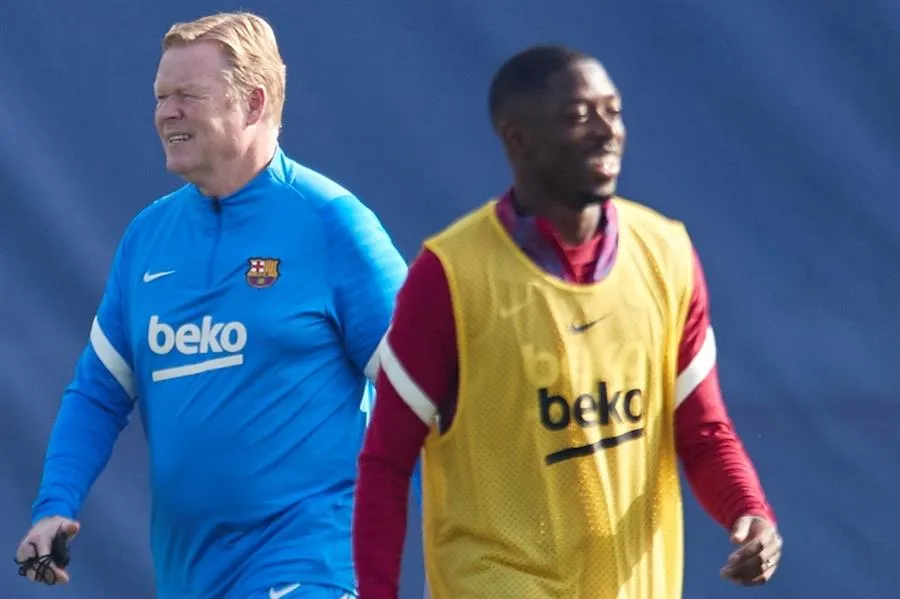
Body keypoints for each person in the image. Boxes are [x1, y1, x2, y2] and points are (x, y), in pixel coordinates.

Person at [353, 44, 783, 598]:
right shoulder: (450, 277)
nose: (607, 130)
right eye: (579, 117)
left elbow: (703, 432)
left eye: (614, 110)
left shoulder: (666, 254)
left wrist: (749, 512)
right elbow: (387, 461)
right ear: (518, 139)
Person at [14, 11, 410, 599]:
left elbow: (423, 393)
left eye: (186, 97)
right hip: (189, 574)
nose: (165, 113)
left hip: (311, 565)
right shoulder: (148, 237)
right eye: (160, 97)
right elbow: (98, 394)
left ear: (252, 103)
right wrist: (54, 505)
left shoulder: (334, 224)